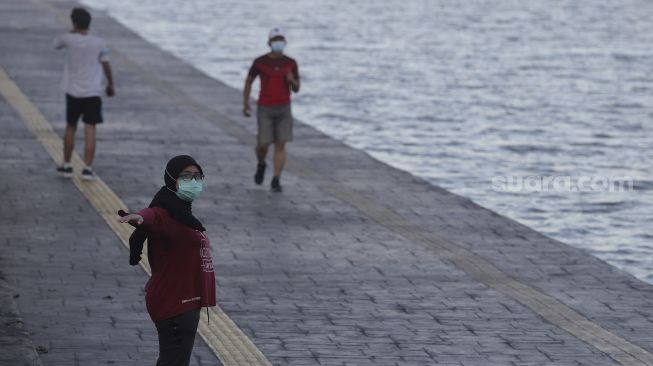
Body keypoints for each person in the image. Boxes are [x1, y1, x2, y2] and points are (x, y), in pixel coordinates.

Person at [117, 155, 216, 366]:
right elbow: (152, 217)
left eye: (197, 176)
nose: (193, 181)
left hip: (185, 300)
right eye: (186, 176)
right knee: (174, 361)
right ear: (172, 179)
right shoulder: (165, 212)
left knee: (174, 360)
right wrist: (140, 218)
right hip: (174, 302)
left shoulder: (181, 212)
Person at [54, 7, 115, 181]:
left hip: (72, 92)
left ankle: (66, 165)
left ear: (74, 22)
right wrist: (111, 84)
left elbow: (55, 44)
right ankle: (87, 168)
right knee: (90, 129)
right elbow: (106, 65)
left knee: (70, 127)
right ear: (89, 23)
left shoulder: (68, 39)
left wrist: (72, 32)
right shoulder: (99, 43)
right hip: (93, 93)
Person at [243, 27, 300, 192]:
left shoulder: (291, 63)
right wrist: (246, 104)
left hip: (284, 107)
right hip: (265, 107)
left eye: (281, 40)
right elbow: (249, 81)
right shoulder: (260, 62)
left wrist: (292, 81)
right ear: (269, 43)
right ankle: (261, 163)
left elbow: (297, 88)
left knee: (280, 144)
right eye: (276, 40)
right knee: (263, 144)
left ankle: (276, 179)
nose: (279, 44)